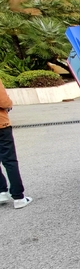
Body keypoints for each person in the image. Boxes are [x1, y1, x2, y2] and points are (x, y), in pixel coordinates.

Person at [0, 79, 32, 209]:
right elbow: (3, 101)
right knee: (10, 160)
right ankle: (18, 197)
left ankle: (1, 191)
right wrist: (9, 104)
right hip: (1, 126)